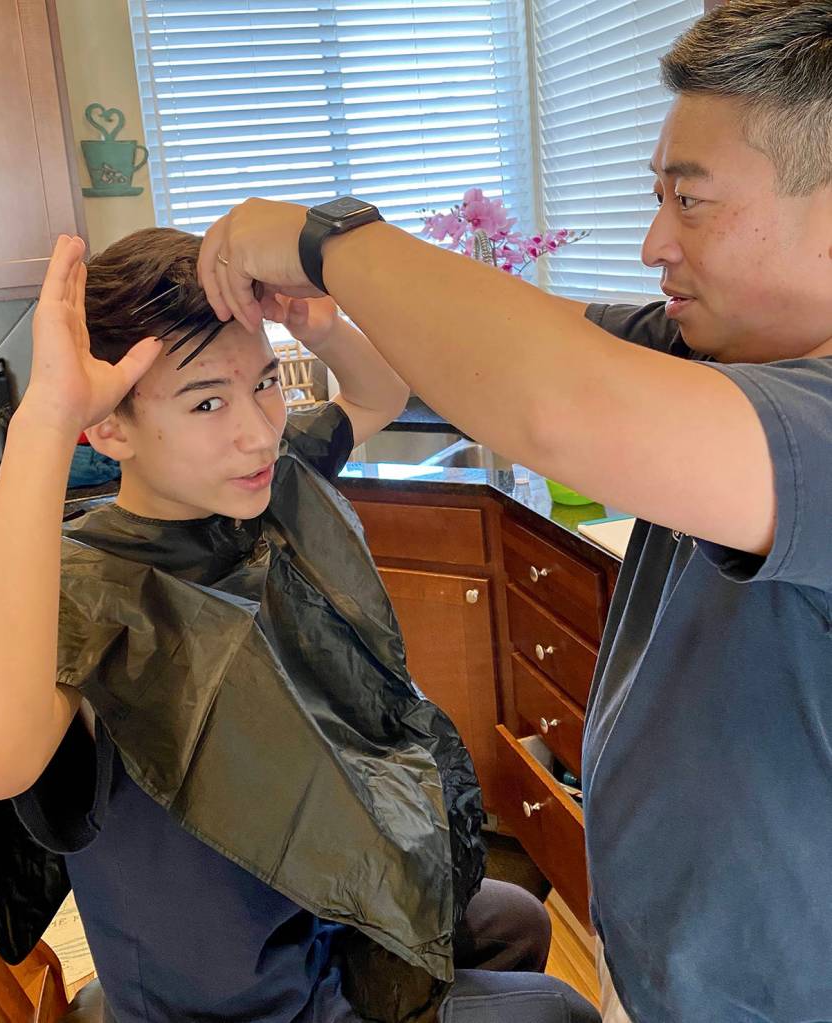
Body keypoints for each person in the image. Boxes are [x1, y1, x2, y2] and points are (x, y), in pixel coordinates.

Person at [191, 1, 832, 1020]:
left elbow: (554, 400)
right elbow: (510, 347)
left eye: (690, 200)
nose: (652, 240)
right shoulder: (710, 352)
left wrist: (326, 238)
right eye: (652, 193)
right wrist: (336, 313)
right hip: (671, 957)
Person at [0, 227, 598, 1023]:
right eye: (207, 401)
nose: (257, 430)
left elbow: (377, 395)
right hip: (240, 1005)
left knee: (517, 921)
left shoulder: (259, 487)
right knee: (559, 1010)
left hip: (316, 916)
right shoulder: (86, 589)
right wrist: (45, 418)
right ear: (108, 427)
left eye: (264, 382)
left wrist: (318, 325)